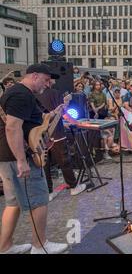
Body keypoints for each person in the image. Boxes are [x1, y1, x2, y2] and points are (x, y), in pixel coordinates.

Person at [0, 64, 69, 254]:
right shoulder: (20, 94)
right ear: (35, 76)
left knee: (13, 203)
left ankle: (4, 246)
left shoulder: (22, 94)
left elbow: (31, 122)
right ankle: (40, 246)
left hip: (10, 156)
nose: (48, 84)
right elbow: (12, 128)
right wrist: (22, 161)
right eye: (46, 80)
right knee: (38, 200)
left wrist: (43, 132)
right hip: (19, 157)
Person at [35, 84, 86, 201]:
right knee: (64, 161)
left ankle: (48, 192)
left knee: (45, 164)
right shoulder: (54, 93)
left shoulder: (33, 93)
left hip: (38, 134)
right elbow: (63, 113)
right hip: (56, 134)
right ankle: (73, 187)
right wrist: (76, 122)